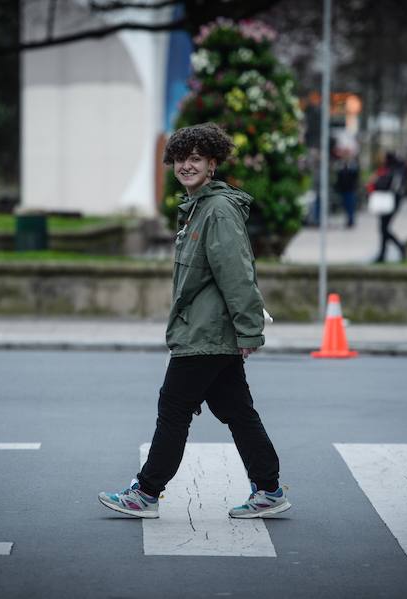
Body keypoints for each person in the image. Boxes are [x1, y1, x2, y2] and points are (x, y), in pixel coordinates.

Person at [98, 122, 289, 520]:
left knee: (173, 408)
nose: (186, 166)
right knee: (237, 410)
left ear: (212, 164)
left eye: (196, 159)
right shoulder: (199, 207)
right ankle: (269, 489)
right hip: (206, 331)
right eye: (180, 159)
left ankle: (146, 493)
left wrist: (249, 328)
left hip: (206, 332)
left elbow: (236, 273)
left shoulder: (217, 210)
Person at [367, 152, 407, 262]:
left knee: (383, 228)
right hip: (393, 201)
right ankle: (385, 253)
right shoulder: (398, 169)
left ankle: (397, 248)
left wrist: (374, 181)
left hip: (388, 201)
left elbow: (383, 185)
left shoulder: (391, 170)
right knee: (384, 228)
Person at [334, 150, 360, 228]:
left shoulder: (353, 165)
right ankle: (348, 220)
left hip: (351, 189)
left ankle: (351, 221)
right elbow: (338, 176)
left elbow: (355, 176)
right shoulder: (340, 164)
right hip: (343, 189)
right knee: (345, 205)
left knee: (351, 205)